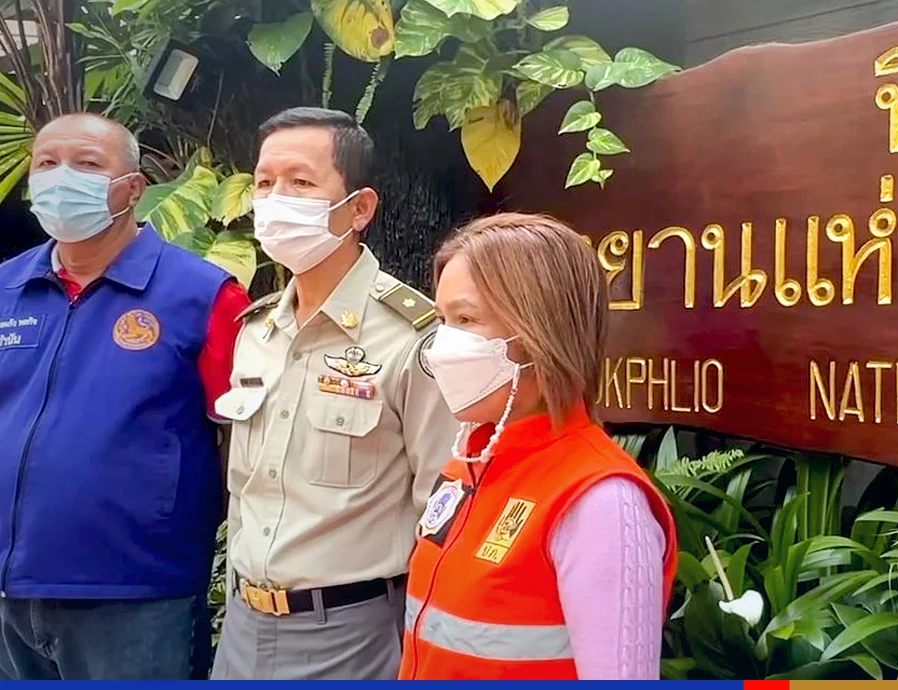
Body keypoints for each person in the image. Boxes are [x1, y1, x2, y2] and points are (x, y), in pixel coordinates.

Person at [0, 113, 249, 679]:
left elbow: (241, 439)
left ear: (134, 188)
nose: (62, 178)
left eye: (87, 164)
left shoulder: (203, 295)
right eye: (47, 163)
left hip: (138, 594)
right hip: (9, 591)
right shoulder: (6, 288)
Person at [211, 107, 457, 680]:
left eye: (300, 182)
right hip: (244, 626)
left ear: (360, 208)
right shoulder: (256, 331)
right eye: (265, 183)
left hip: (353, 632)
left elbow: (440, 509)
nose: (275, 200)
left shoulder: (412, 339)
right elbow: (244, 494)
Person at [397, 212, 677, 680]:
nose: (442, 344)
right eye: (443, 319)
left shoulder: (600, 500)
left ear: (536, 334)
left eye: (466, 319)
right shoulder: (471, 460)